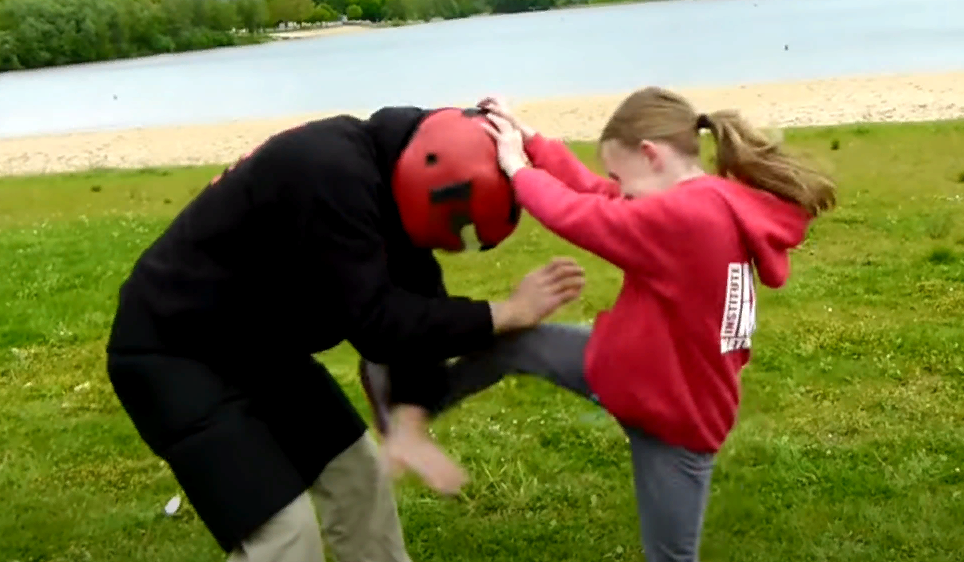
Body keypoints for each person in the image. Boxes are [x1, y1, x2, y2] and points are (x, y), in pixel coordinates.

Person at [367, 90, 837, 562]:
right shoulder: (700, 197)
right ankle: (410, 414)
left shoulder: (688, 218)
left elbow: (581, 215)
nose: (617, 187)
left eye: (620, 174)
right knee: (514, 344)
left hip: (674, 420)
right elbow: (597, 192)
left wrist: (517, 170)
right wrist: (530, 140)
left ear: (651, 155)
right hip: (623, 367)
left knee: (670, 557)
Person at [104, 105, 586, 562]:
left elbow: (418, 305)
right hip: (172, 352)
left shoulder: (387, 179)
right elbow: (378, 324)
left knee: (359, 482)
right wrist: (505, 312)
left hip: (262, 351)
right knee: (285, 533)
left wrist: (408, 419)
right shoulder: (329, 174)